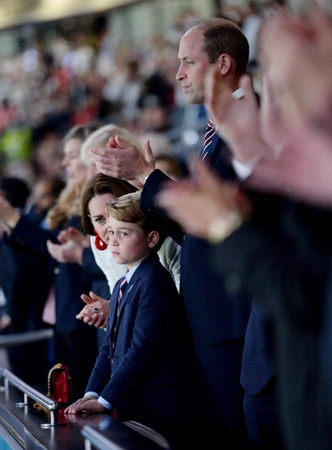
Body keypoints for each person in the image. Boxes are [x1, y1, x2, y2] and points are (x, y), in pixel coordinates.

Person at [89, 18, 253, 446]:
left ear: (222, 63)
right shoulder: (214, 134)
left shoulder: (244, 128)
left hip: (235, 329)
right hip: (214, 328)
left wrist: (146, 175)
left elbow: (227, 222)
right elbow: (200, 226)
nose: (177, 74)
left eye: (187, 62)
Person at [64, 191, 203, 450]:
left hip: (161, 408)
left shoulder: (155, 281)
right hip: (135, 402)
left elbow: (142, 349)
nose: (112, 240)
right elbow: (109, 349)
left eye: (123, 233)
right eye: (111, 231)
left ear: (152, 238)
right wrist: (91, 394)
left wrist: (106, 401)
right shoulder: (121, 285)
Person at [0, 123, 101, 399]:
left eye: (71, 154)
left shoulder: (99, 203)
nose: (64, 162)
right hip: (62, 314)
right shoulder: (69, 203)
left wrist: (11, 218)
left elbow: (52, 245)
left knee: (81, 397)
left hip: (85, 315)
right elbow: (47, 251)